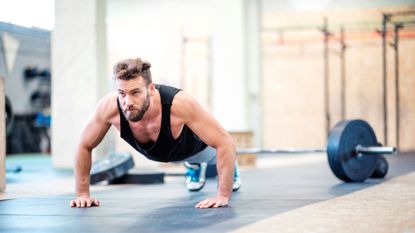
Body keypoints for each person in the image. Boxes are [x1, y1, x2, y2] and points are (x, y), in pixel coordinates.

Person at [70, 58, 241, 209]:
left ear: (151, 89)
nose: (127, 102)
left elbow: (225, 143)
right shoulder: (109, 107)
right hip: (159, 153)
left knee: (217, 155)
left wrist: (222, 195)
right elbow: (84, 145)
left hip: (196, 149)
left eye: (135, 92)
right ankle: (193, 166)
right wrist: (82, 194)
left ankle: (224, 167)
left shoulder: (179, 103)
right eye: (122, 93)